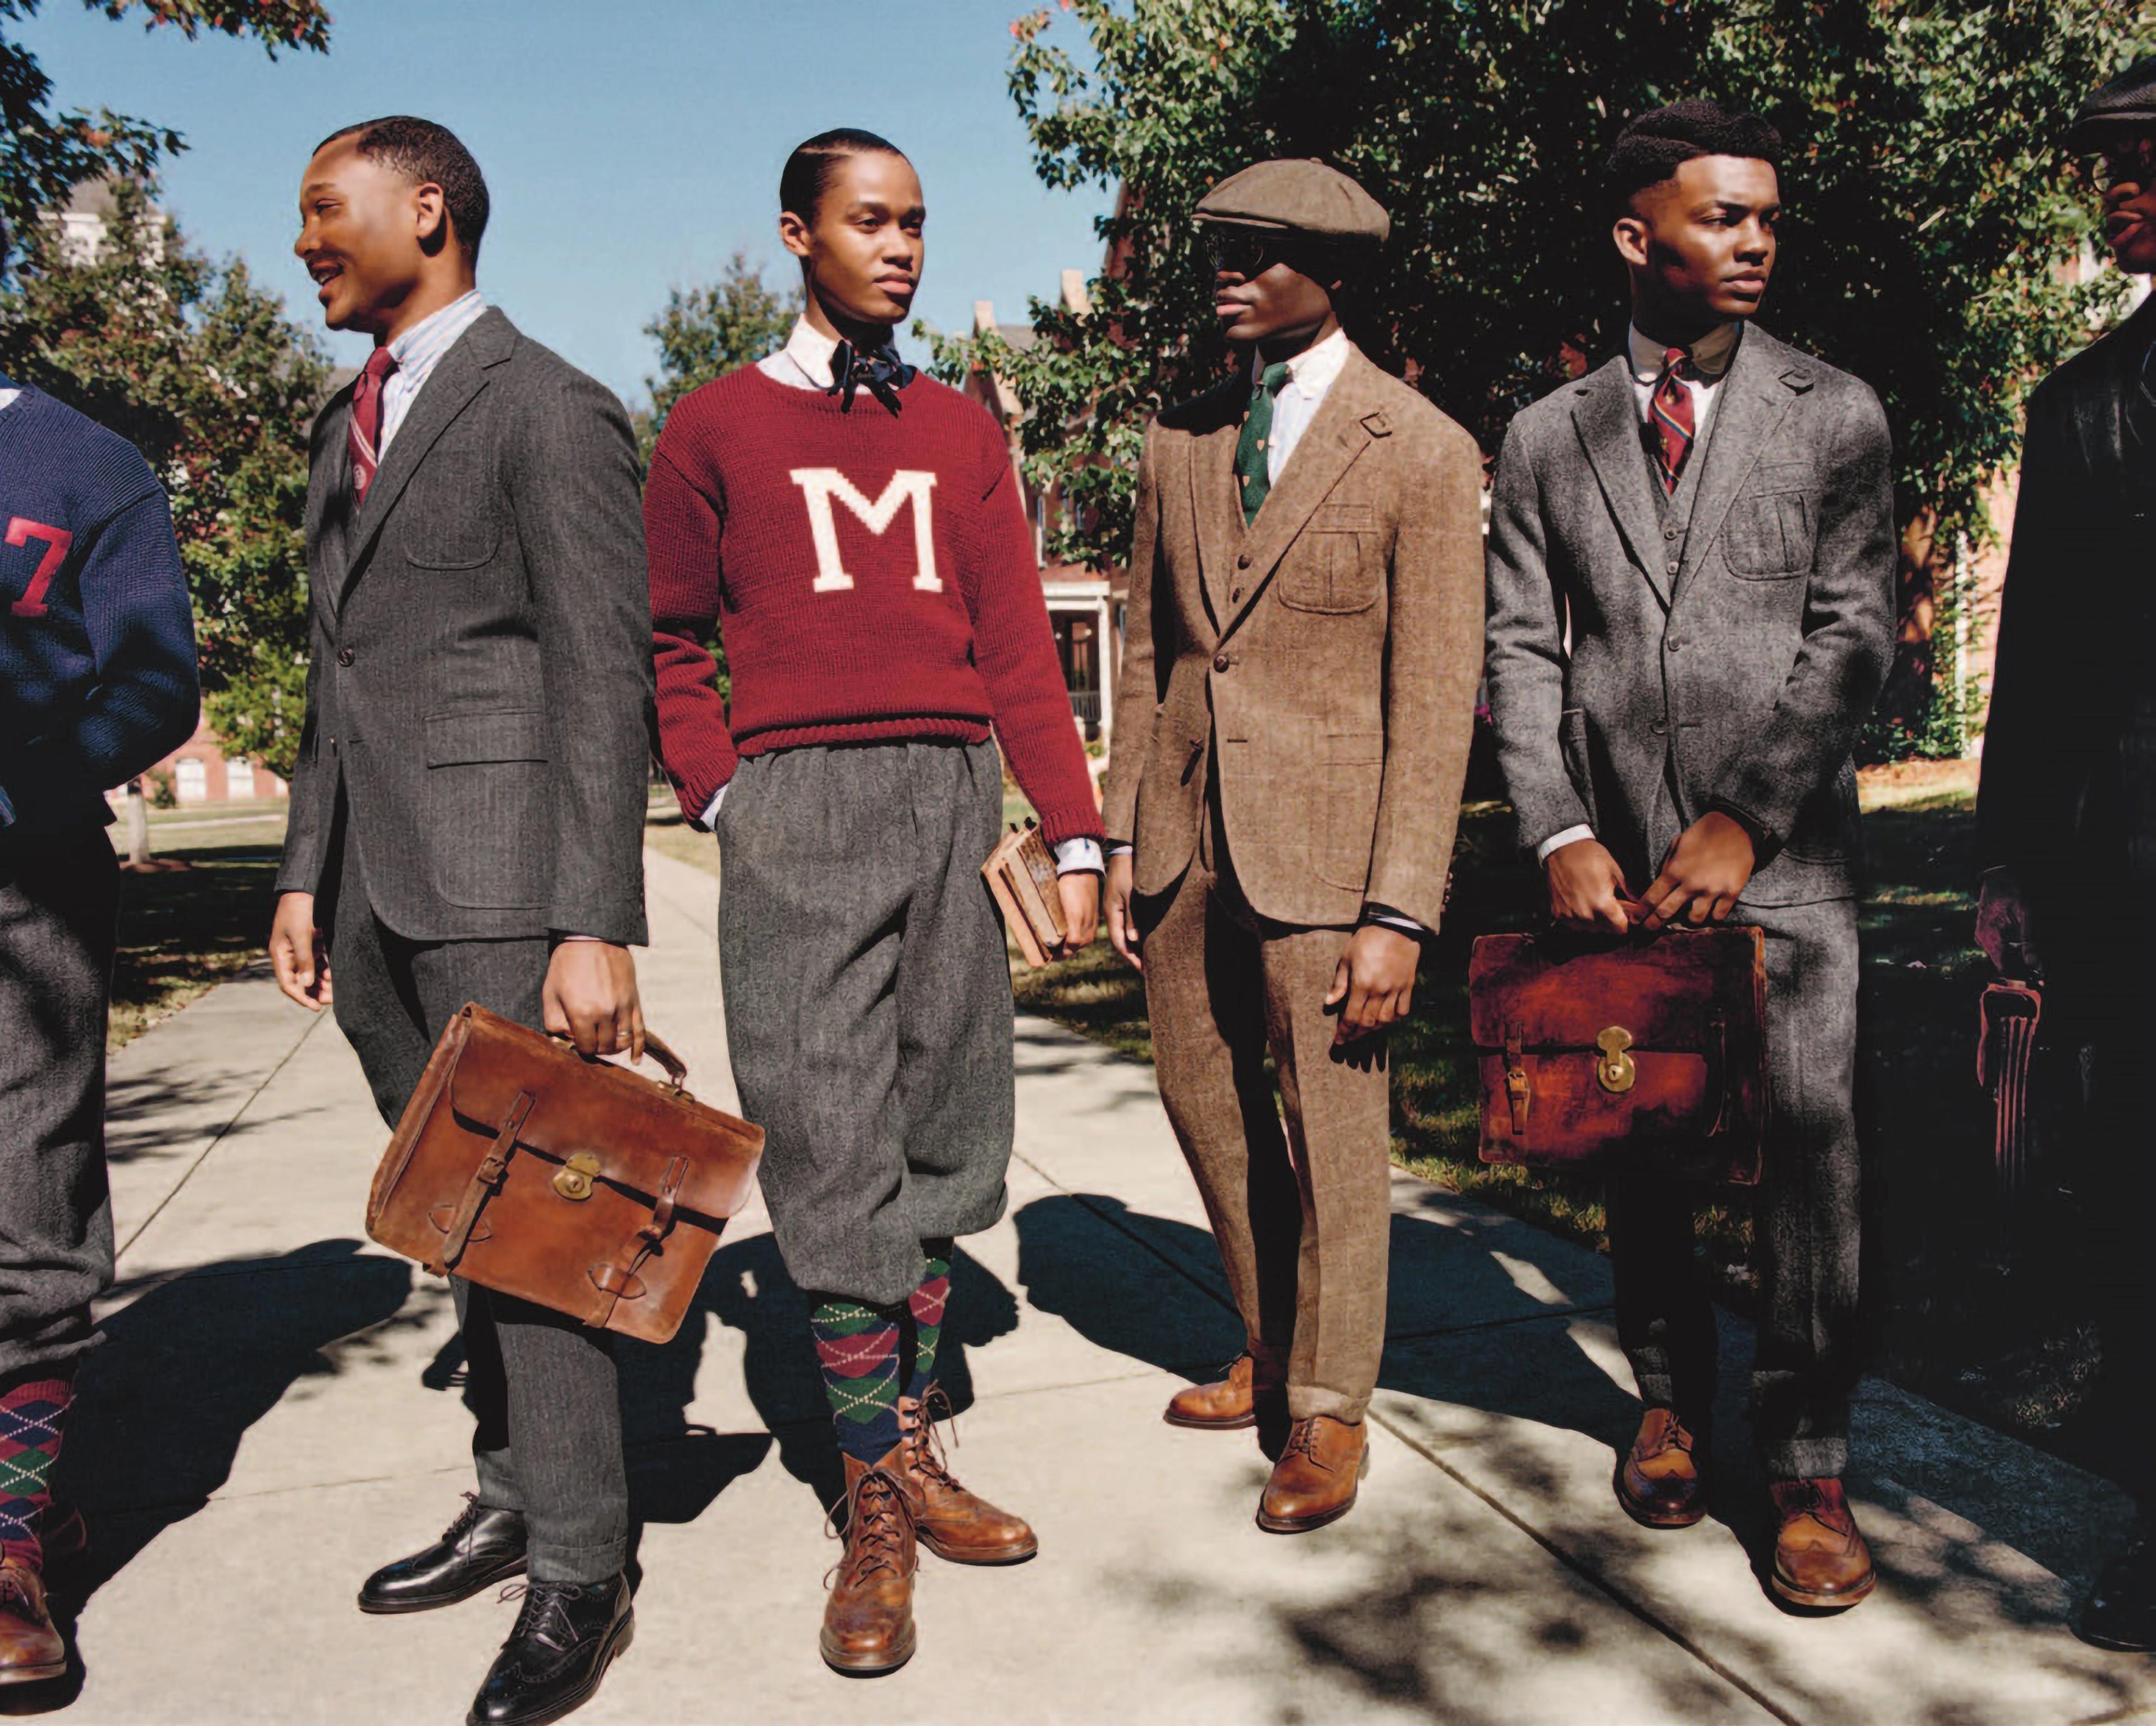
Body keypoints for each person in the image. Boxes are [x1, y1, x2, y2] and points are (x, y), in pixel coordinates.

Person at [645, 127, 1103, 1677]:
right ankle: (872, 1500)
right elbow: (668, 640)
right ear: (797, 234)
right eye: (869, 221)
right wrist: (720, 792)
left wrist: (1079, 827)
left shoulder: (964, 430)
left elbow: (1019, 645)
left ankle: (909, 1446)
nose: (901, 247)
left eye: (916, 222)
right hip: (800, 804)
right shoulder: (713, 426)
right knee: (824, 1130)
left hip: (952, 794)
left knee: (936, 1121)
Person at [1483, 100, 1894, 1611]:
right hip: (1623, 878)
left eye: (1768, 216)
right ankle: (1664, 1392)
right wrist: (1560, 825)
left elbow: (1854, 633)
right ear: (1633, 234)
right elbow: (1520, 654)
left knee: (1810, 1164)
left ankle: (1806, 1461)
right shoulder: (1550, 437)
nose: (1756, 239)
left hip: (1784, 869)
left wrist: (1752, 811)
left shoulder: (1834, 414)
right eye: (1723, 215)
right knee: (1642, 1141)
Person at [268, 116, 652, 1725]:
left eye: (322, 209)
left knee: (538, 1230)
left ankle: (582, 1561)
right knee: (458, 1218)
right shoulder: (337, 420)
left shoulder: (551, 408)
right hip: (372, 895)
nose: (302, 242)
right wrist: (301, 867)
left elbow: (600, 670)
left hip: (503, 891)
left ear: (425, 208)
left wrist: (593, 918)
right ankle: (512, 1489)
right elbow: (333, 667)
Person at [1098, 159, 1485, 1534]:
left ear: (1337, 271)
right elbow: (1150, 654)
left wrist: (1400, 911)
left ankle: (1327, 1407)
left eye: (1262, 251)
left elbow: (1436, 704)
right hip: (1188, 852)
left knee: (1335, 1139)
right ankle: (1265, 1346)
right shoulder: (1181, 437)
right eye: (1220, 246)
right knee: (1209, 1110)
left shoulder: (1423, 450)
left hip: (1332, 864)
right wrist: (1127, 842)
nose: (1228, 270)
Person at [1975, 54, 2156, 1653]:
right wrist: (2012, 864)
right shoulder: (2082, 406)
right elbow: (2031, 664)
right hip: (2126, 882)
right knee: (2134, 1207)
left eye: (2143, 158)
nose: (2115, 187)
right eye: (2105, 163)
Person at [0, 366, 199, 1684]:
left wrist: (37, 787)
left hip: (28, 886)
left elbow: (155, 678)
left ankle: (9, 1539)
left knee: (26, 1193)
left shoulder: (87, 465)